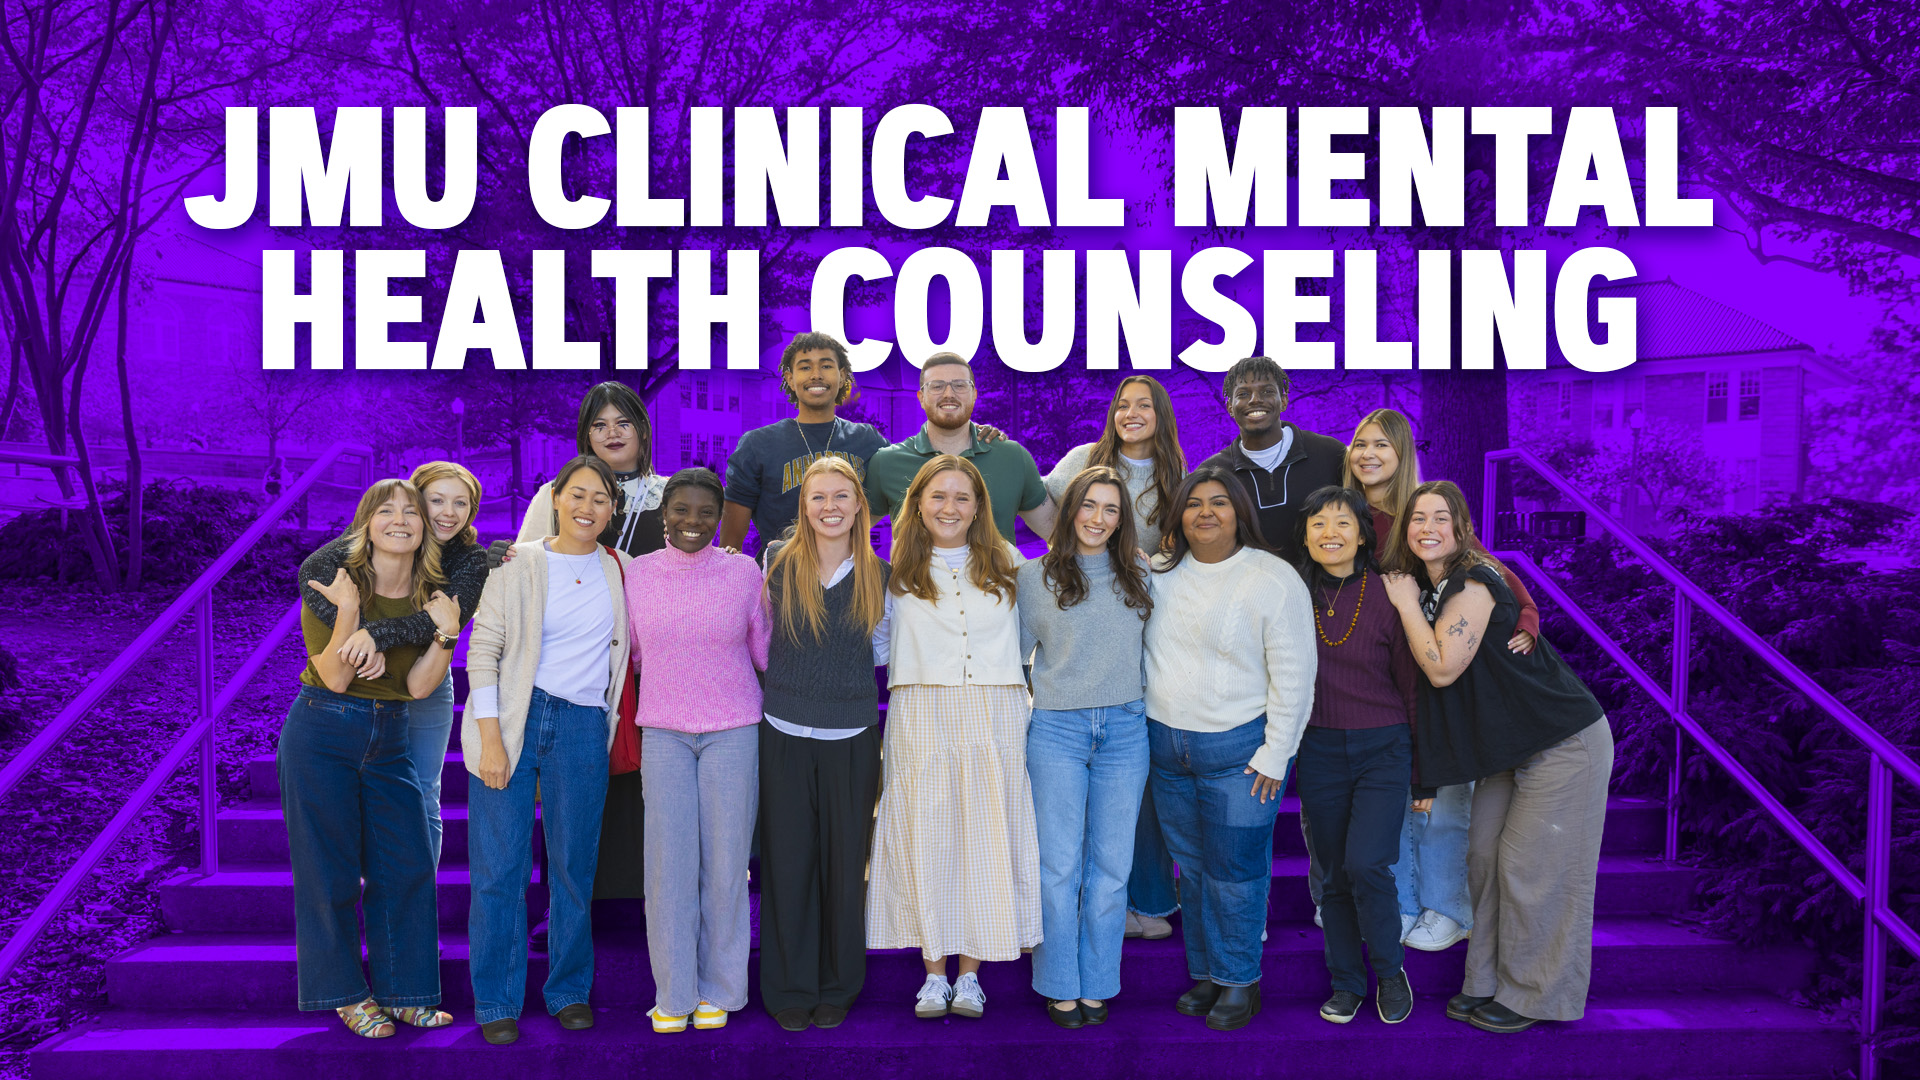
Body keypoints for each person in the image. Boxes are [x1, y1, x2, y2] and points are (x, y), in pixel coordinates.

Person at [1381, 481, 1613, 1034]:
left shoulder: (1473, 580)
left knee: (1532, 869)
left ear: (1462, 528)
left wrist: (1405, 604)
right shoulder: (1433, 586)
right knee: (1484, 858)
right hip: (1506, 749)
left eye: (1442, 517)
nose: (1428, 527)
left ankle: (1535, 993)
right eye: (1417, 518)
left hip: (1561, 741)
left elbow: (1441, 668)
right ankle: (1486, 981)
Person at [1342, 407, 1542, 953]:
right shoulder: (1346, 514)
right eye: (1360, 443)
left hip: (1436, 675)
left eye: (1382, 444)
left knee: (1445, 801)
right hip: (1375, 682)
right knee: (1398, 803)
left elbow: (1492, 570)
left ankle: (1449, 907)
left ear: (1403, 452)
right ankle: (1404, 903)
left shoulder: (1422, 513)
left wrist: (1527, 614)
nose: (1368, 454)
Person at [281, 478, 460, 1038]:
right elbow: (335, 677)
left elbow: (419, 687)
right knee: (328, 870)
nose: (400, 520)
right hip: (323, 730)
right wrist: (350, 612)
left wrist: (446, 635)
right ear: (366, 524)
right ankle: (346, 995)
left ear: (425, 527)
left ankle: (406, 993)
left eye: (411, 511)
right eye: (386, 511)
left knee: (406, 863)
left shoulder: (431, 594)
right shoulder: (334, 584)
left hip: (391, 734)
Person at [462, 456, 632, 1046]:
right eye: (577, 494)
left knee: (573, 868)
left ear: (613, 511)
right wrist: (490, 738)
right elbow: (483, 649)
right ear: (555, 498)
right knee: (498, 869)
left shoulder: (622, 569)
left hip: (583, 724)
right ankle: (497, 999)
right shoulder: (519, 562)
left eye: (601, 499)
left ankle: (568, 991)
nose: (587, 507)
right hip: (514, 718)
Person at [868, 455, 1039, 1021]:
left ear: (979, 506)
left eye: (962, 497)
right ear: (917, 503)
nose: (950, 507)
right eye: (938, 495)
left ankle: (971, 975)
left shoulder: (1009, 561)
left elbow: (1041, 626)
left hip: (995, 709)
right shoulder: (894, 570)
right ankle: (933, 973)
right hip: (922, 709)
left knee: (986, 835)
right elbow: (877, 644)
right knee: (929, 834)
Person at [1143, 466, 1314, 1032]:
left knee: (1235, 871)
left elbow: (1295, 675)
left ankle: (1240, 981)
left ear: (1240, 512)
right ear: (1179, 516)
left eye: (1219, 502)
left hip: (1241, 751)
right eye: (1194, 503)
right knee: (1192, 870)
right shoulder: (1159, 574)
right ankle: (1208, 974)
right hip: (1166, 747)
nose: (1206, 512)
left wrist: (1277, 752)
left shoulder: (1272, 577)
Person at [503, 381, 668, 908]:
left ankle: (638, 903)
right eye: (599, 425)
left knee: (636, 785)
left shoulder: (671, 495)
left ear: (642, 430)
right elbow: (524, 572)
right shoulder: (555, 495)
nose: (612, 433)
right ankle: (566, 909)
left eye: (623, 423)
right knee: (568, 791)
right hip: (572, 667)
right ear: (585, 436)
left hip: (648, 668)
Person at [627, 467, 772, 1033]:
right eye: (682, 510)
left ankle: (721, 988)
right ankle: (674, 992)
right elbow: (632, 653)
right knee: (668, 867)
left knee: (727, 864)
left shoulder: (743, 571)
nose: (693, 521)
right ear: (664, 514)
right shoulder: (637, 574)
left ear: (720, 518)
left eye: (706, 512)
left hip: (733, 729)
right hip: (663, 731)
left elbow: (763, 651)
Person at [1043, 377, 1187, 941]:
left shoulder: (1175, 473)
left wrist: (1154, 565)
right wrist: (1076, 558)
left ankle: (1150, 898)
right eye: (1122, 405)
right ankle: (1098, 901)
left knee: (1137, 782)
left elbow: (1184, 544)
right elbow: (1041, 505)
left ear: (1160, 414)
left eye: (1143, 405)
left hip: (1143, 616)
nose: (1131, 413)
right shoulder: (1085, 459)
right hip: (1085, 615)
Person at [756, 457, 892, 1032]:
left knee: (844, 867)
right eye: (818, 497)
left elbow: (884, 650)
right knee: (787, 865)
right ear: (803, 506)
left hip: (851, 736)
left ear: (859, 505)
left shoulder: (881, 575)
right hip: (784, 730)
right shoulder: (775, 563)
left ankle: (838, 986)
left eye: (841, 496)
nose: (830, 507)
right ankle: (789, 986)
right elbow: (760, 639)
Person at [300, 461, 489, 867]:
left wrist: (376, 637)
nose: (448, 513)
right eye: (436, 501)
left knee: (422, 791)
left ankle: (420, 894)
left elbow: (444, 621)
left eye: (461, 503)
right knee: (369, 799)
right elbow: (311, 572)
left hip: (428, 671)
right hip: (363, 688)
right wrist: (361, 640)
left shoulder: (469, 559)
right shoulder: (380, 532)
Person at [1018, 466, 1153, 1029]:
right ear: (1070, 508)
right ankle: (1058, 983)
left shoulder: (1140, 575)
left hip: (1126, 729)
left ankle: (1097, 981)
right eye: (1089, 505)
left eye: (1111, 509)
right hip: (1056, 730)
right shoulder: (1032, 578)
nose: (1098, 518)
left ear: (1121, 520)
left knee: (1112, 867)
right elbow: (1013, 660)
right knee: (1058, 865)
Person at [1290, 486, 1421, 1026]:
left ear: (1363, 535)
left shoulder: (1390, 594)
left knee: (1367, 863)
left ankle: (1389, 971)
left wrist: (1424, 772)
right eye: (1318, 523)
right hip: (1319, 747)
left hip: (1383, 746)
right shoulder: (1291, 594)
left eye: (1342, 522)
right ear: (1305, 537)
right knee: (1333, 876)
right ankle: (1346, 982)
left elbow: (1412, 685)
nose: (1330, 533)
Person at [719, 331, 889, 554]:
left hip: (850, 571)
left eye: (826, 366)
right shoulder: (757, 444)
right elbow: (730, 546)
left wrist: (860, 528)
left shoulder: (868, 440)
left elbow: (902, 487)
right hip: (781, 571)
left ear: (842, 376)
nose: (816, 375)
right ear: (790, 379)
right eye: (805, 367)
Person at [863, 353, 1054, 544]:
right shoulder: (886, 463)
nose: (949, 394)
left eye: (960, 385)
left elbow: (1055, 532)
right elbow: (852, 533)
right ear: (921, 398)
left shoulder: (1012, 457)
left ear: (974, 395)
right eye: (937, 386)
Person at [1193, 356, 1345, 563]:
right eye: (1243, 394)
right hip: (1247, 583)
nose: (1255, 400)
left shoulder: (1330, 453)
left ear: (1284, 400)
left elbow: (1362, 517)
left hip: (1326, 582)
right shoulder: (1213, 471)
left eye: (1267, 391)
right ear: (1229, 406)